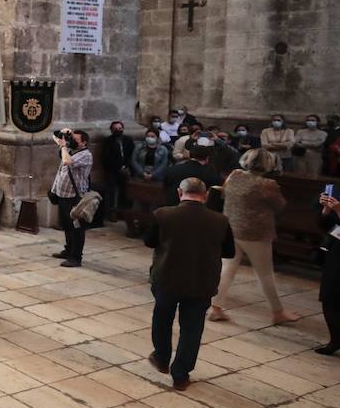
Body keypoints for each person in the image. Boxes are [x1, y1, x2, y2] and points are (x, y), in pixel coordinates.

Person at [144, 177, 235, 390]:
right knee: (192, 329)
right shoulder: (220, 221)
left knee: (162, 318)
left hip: (167, 278)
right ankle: (181, 374)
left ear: (179, 192)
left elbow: (149, 242)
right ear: (205, 195)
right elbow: (229, 252)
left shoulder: (162, 214)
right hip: (201, 281)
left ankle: (162, 357)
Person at [211, 149, 301, 325]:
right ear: (268, 164)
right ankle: (278, 313)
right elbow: (280, 206)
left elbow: (223, 193)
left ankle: (215, 308)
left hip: (230, 228)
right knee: (265, 274)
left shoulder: (235, 175)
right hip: (256, 234)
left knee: (227, 269)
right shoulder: (268, 184)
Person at [50, 128, 93, 267]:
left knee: (76, 227)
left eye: (75, 139)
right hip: (63, 195)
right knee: (66, 225)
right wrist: (63, 132)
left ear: (84, 142)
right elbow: (54, 136)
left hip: (75, 197)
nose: (72, 141)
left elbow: (67, 162)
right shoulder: (71, 150)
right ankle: (68, 250)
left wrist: (63, 146)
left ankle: (76, 257)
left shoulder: (86, 155)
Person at [317, 190, 340, 355]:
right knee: (328, 296)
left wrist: (339, 210)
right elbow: (325, 226)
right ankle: (335, 340)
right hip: (336, 251)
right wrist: (327, 210)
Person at [101, 120, 135, 222]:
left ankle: (124, 213)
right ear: (112, 130)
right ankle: (112, 213)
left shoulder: (128, 140)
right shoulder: (108, 141)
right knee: (113, 193)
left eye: (120, 128)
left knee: (126, 192)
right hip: (113, 170)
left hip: (127, 169)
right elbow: (106, 157)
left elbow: (131, 154)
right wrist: (118, 167)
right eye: (115, 129)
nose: (118, 130)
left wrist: (127, 166)